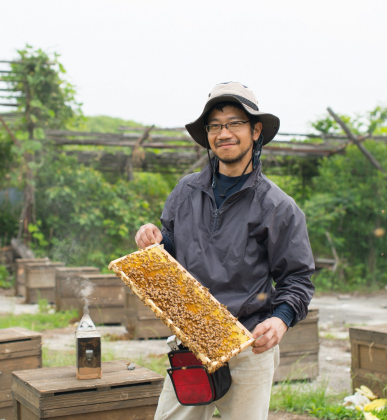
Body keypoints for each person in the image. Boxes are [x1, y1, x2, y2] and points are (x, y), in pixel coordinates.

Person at [135, 81, 315, 420]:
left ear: (256, 130)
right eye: (215, 125)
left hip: (247, 344)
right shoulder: (186, 191)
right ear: (207, 135)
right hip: (191, 340)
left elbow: (297, 278)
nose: (224, 133)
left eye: (234, 123)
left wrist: (281, 320)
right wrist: (154, 241)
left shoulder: (278, 207)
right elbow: (171, 253)